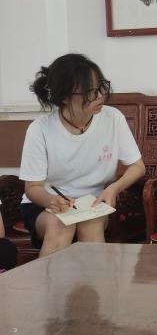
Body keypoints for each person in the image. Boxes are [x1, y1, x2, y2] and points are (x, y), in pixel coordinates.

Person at [19, 53, 145, 257]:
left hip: (94, 203)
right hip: (46, 206)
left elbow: (137, 166)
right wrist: (51, 200)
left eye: (101, 87)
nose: (100, 96)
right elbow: (32, 188)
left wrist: (114, 188)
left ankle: (95, 279)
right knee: (61, 224)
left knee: (90, 223)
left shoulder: (113, 118)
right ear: (63, 97)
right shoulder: (40, 129)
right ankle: (47, 279)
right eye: (89, 92)